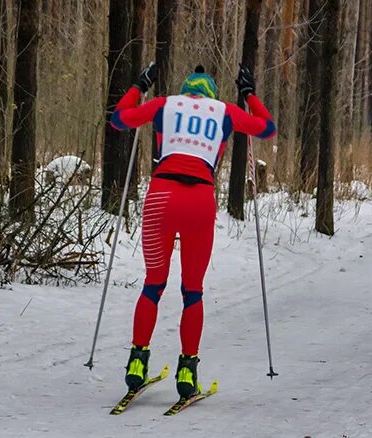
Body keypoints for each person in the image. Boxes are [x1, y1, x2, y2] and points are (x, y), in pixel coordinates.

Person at [109, 64, 276, 399]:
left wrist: (140, 84)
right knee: (192, 291)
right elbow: (268, 129)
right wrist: (249, 94)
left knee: (153, 283)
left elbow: (118, 118)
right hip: (199, 201)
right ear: (210, 94)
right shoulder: (224, 111)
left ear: (186, 91)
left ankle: (137, 362)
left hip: (160, 198)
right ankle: (187, 370)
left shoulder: (164, 105)